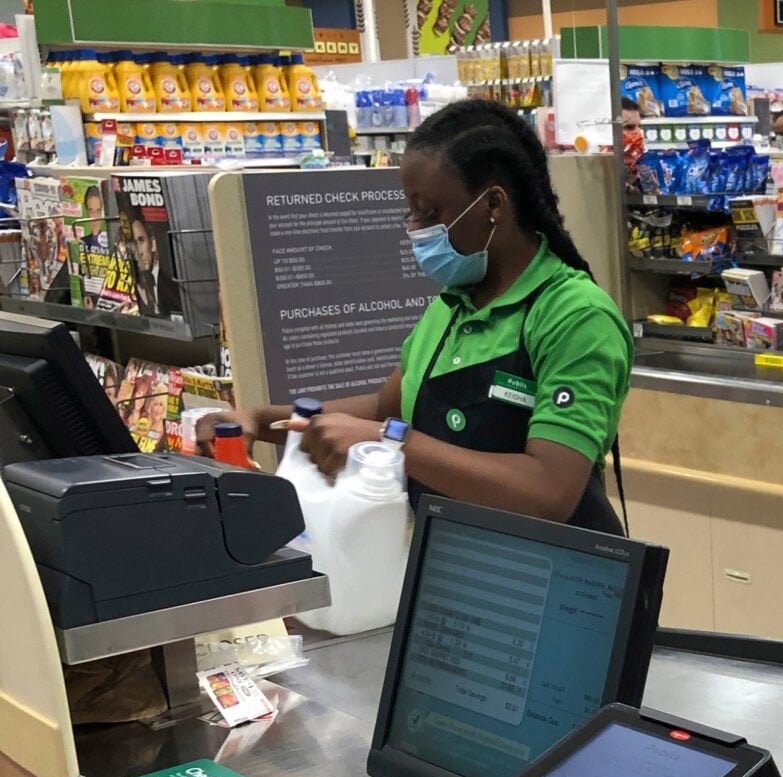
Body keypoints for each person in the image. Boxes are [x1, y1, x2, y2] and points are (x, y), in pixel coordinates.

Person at [198, 99, 630, 533]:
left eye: (431, 212)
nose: (416, 228)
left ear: (493, 204)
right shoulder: (452, 304)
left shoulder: (576, 316)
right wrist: (261, 420)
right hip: (455, 566)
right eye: (412, 211)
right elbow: (388, 406)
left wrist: (392, 443)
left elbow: (549, 491)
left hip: (555, 580)